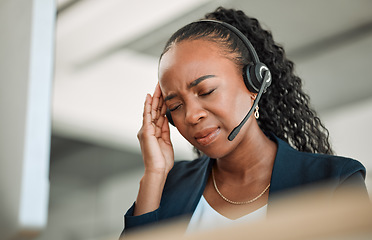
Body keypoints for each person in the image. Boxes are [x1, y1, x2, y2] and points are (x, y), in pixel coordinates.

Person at [120, 6, 367, 236]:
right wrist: (155, 173)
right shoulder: (167, 186)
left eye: (206, 91)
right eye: (175, 106)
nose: (192, 116)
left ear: (254, 85)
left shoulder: (335, 181)